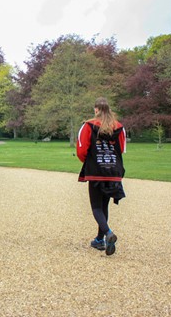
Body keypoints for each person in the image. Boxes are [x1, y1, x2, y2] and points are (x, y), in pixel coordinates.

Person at [76, 97, 126, 256]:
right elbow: (122, 149)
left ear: (96, 109)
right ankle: (99, 239)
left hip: (97, 170)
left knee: (96, 207)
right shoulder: (119, 127)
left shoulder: (88, 125)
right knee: (104, 206)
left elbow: (82, 149)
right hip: (113, 170)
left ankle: (108, 233)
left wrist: (90, 161)